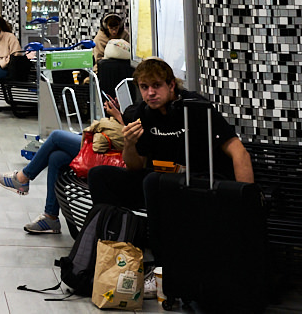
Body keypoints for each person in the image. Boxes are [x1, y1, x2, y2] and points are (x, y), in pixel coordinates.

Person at [88, 57, 254, 254]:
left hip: (199, 182)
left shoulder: (196, 107)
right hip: (161, 181)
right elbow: (135, 166)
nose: (150, 93)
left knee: (152, 181)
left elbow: (239, 153)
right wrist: (129, 144)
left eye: (156, 85)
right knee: (99, 175)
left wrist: (245, 202)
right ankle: (113, 245)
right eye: (144, 87)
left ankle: (162, 259)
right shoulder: (143, 112)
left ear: (171, 85)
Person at [0, 129, 84, 234]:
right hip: (97, 142)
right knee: (56, 158)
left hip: (101, 151)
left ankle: (22, 178)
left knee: (56, 136)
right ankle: (51, 217)